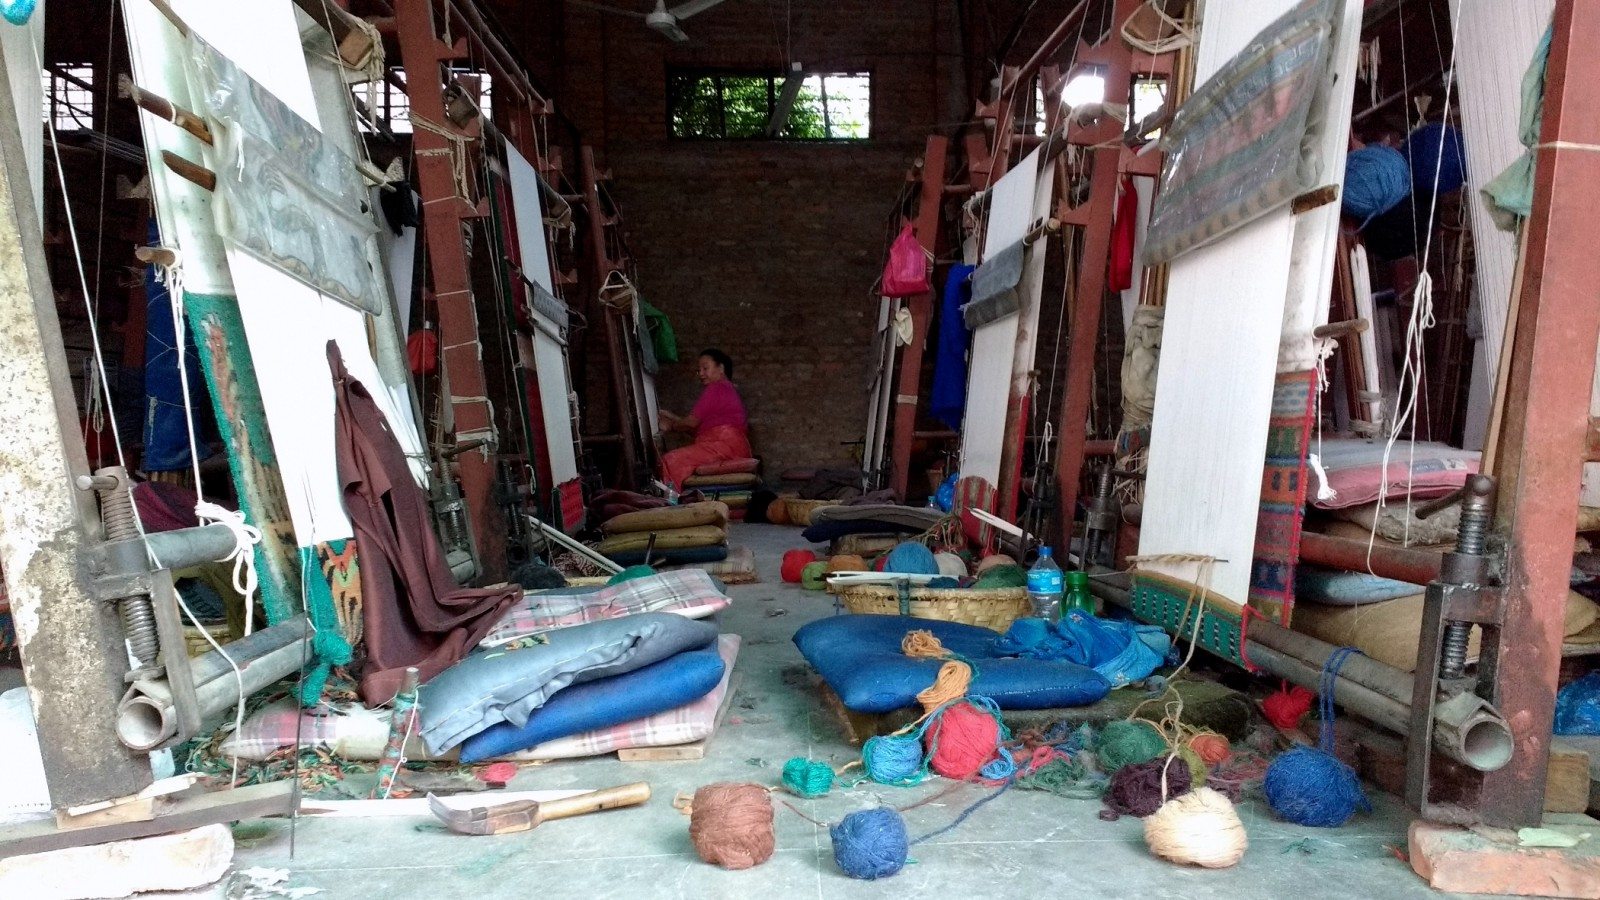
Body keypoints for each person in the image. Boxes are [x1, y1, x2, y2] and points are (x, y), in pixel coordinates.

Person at [658, 348, 751, 491]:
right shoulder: (726, 389)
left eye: (705, 368)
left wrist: (670, 426)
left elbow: (691, 423)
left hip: (724, 447)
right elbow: (697, 427)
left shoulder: (716, 388)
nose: (701, 373)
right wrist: (672, 417)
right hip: (732, 447)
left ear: (721, 368)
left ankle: (672, 506)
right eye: (698, 370)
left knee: (670, 460)